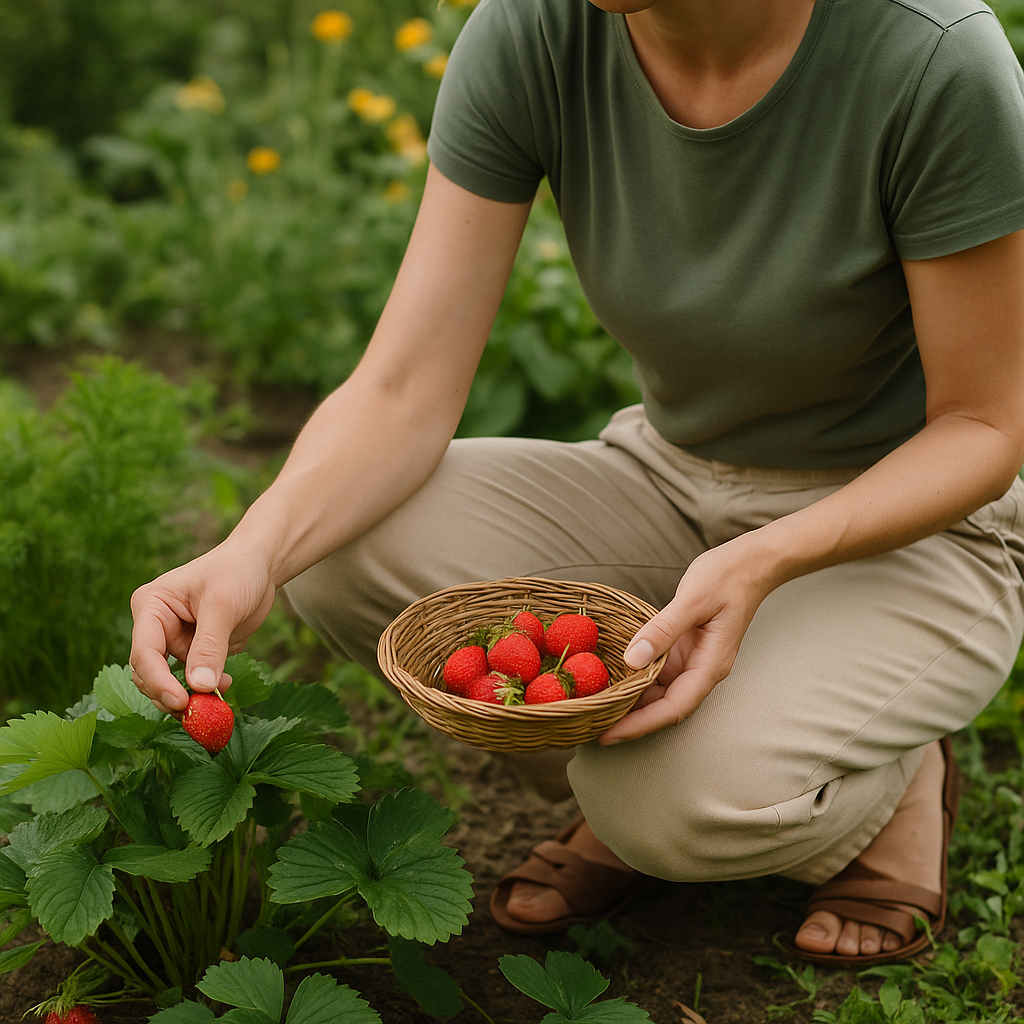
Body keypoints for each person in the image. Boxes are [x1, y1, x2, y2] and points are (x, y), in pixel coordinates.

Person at [129, 0, 1024, 967]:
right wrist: (250, 551)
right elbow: (402, 386)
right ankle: (662, 744)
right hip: (673, 479)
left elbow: (985, 426)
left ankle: (887, 800)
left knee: (663, 808)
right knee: (334, 545)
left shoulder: (930, 58)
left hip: (911, 522)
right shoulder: (535, 31)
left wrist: (768, 556)